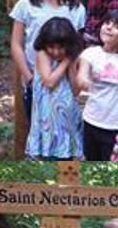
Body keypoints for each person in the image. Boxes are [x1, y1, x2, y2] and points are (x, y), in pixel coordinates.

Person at [9, 0, 85, 123]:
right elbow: (16, 44)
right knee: (39, 138)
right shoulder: (26, 5)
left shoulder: (76, 9)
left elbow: (78, 49)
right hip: (35, 83)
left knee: (66, 140)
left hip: (66, 86)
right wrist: (28, 78)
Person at [76, 10, 118, 161]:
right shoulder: (90, 53)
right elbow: (82, 74)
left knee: (113, 163)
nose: (109, 28)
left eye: (117, 26)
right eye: (107, 23)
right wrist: (83, 80)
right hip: (90, 121)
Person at [25, 17, 83, 160]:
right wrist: (66, 60)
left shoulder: (73, 58)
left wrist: (71, 65)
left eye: (61, 47)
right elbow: (49, 82)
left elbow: (76, 90)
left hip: (68, 116)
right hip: (47, 118)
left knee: (67, 156)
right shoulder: (43, 55)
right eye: (52, 47)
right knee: (49, 155)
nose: (56, 52)